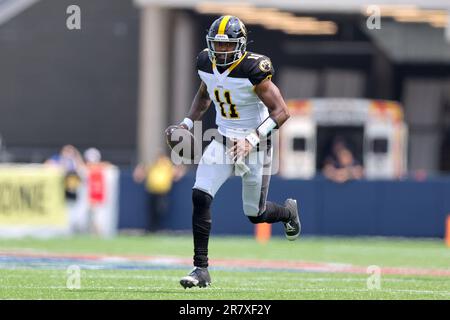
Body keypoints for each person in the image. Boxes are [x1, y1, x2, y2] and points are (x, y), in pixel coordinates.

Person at [166, 16, 301, 289]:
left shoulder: (254, 69)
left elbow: (282, 112)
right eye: (216, 45)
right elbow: (206, 94)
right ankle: (200, 269)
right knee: (200, 195)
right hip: (223, 140)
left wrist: (251, 138)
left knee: (255, 213)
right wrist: (187, 123)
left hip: (256, 146)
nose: (221, 51)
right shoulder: (205, 62)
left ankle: (288, 213)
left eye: (226, 46)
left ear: (240, 46)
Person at [133, 153, 186, 232]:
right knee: (151, 211)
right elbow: (141, 173)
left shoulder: (167, 166)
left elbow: (178, 171)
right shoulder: (153, 166)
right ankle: (151, 228)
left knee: (161, 210)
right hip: (152, 191)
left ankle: (159, 228)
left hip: (162, 192)